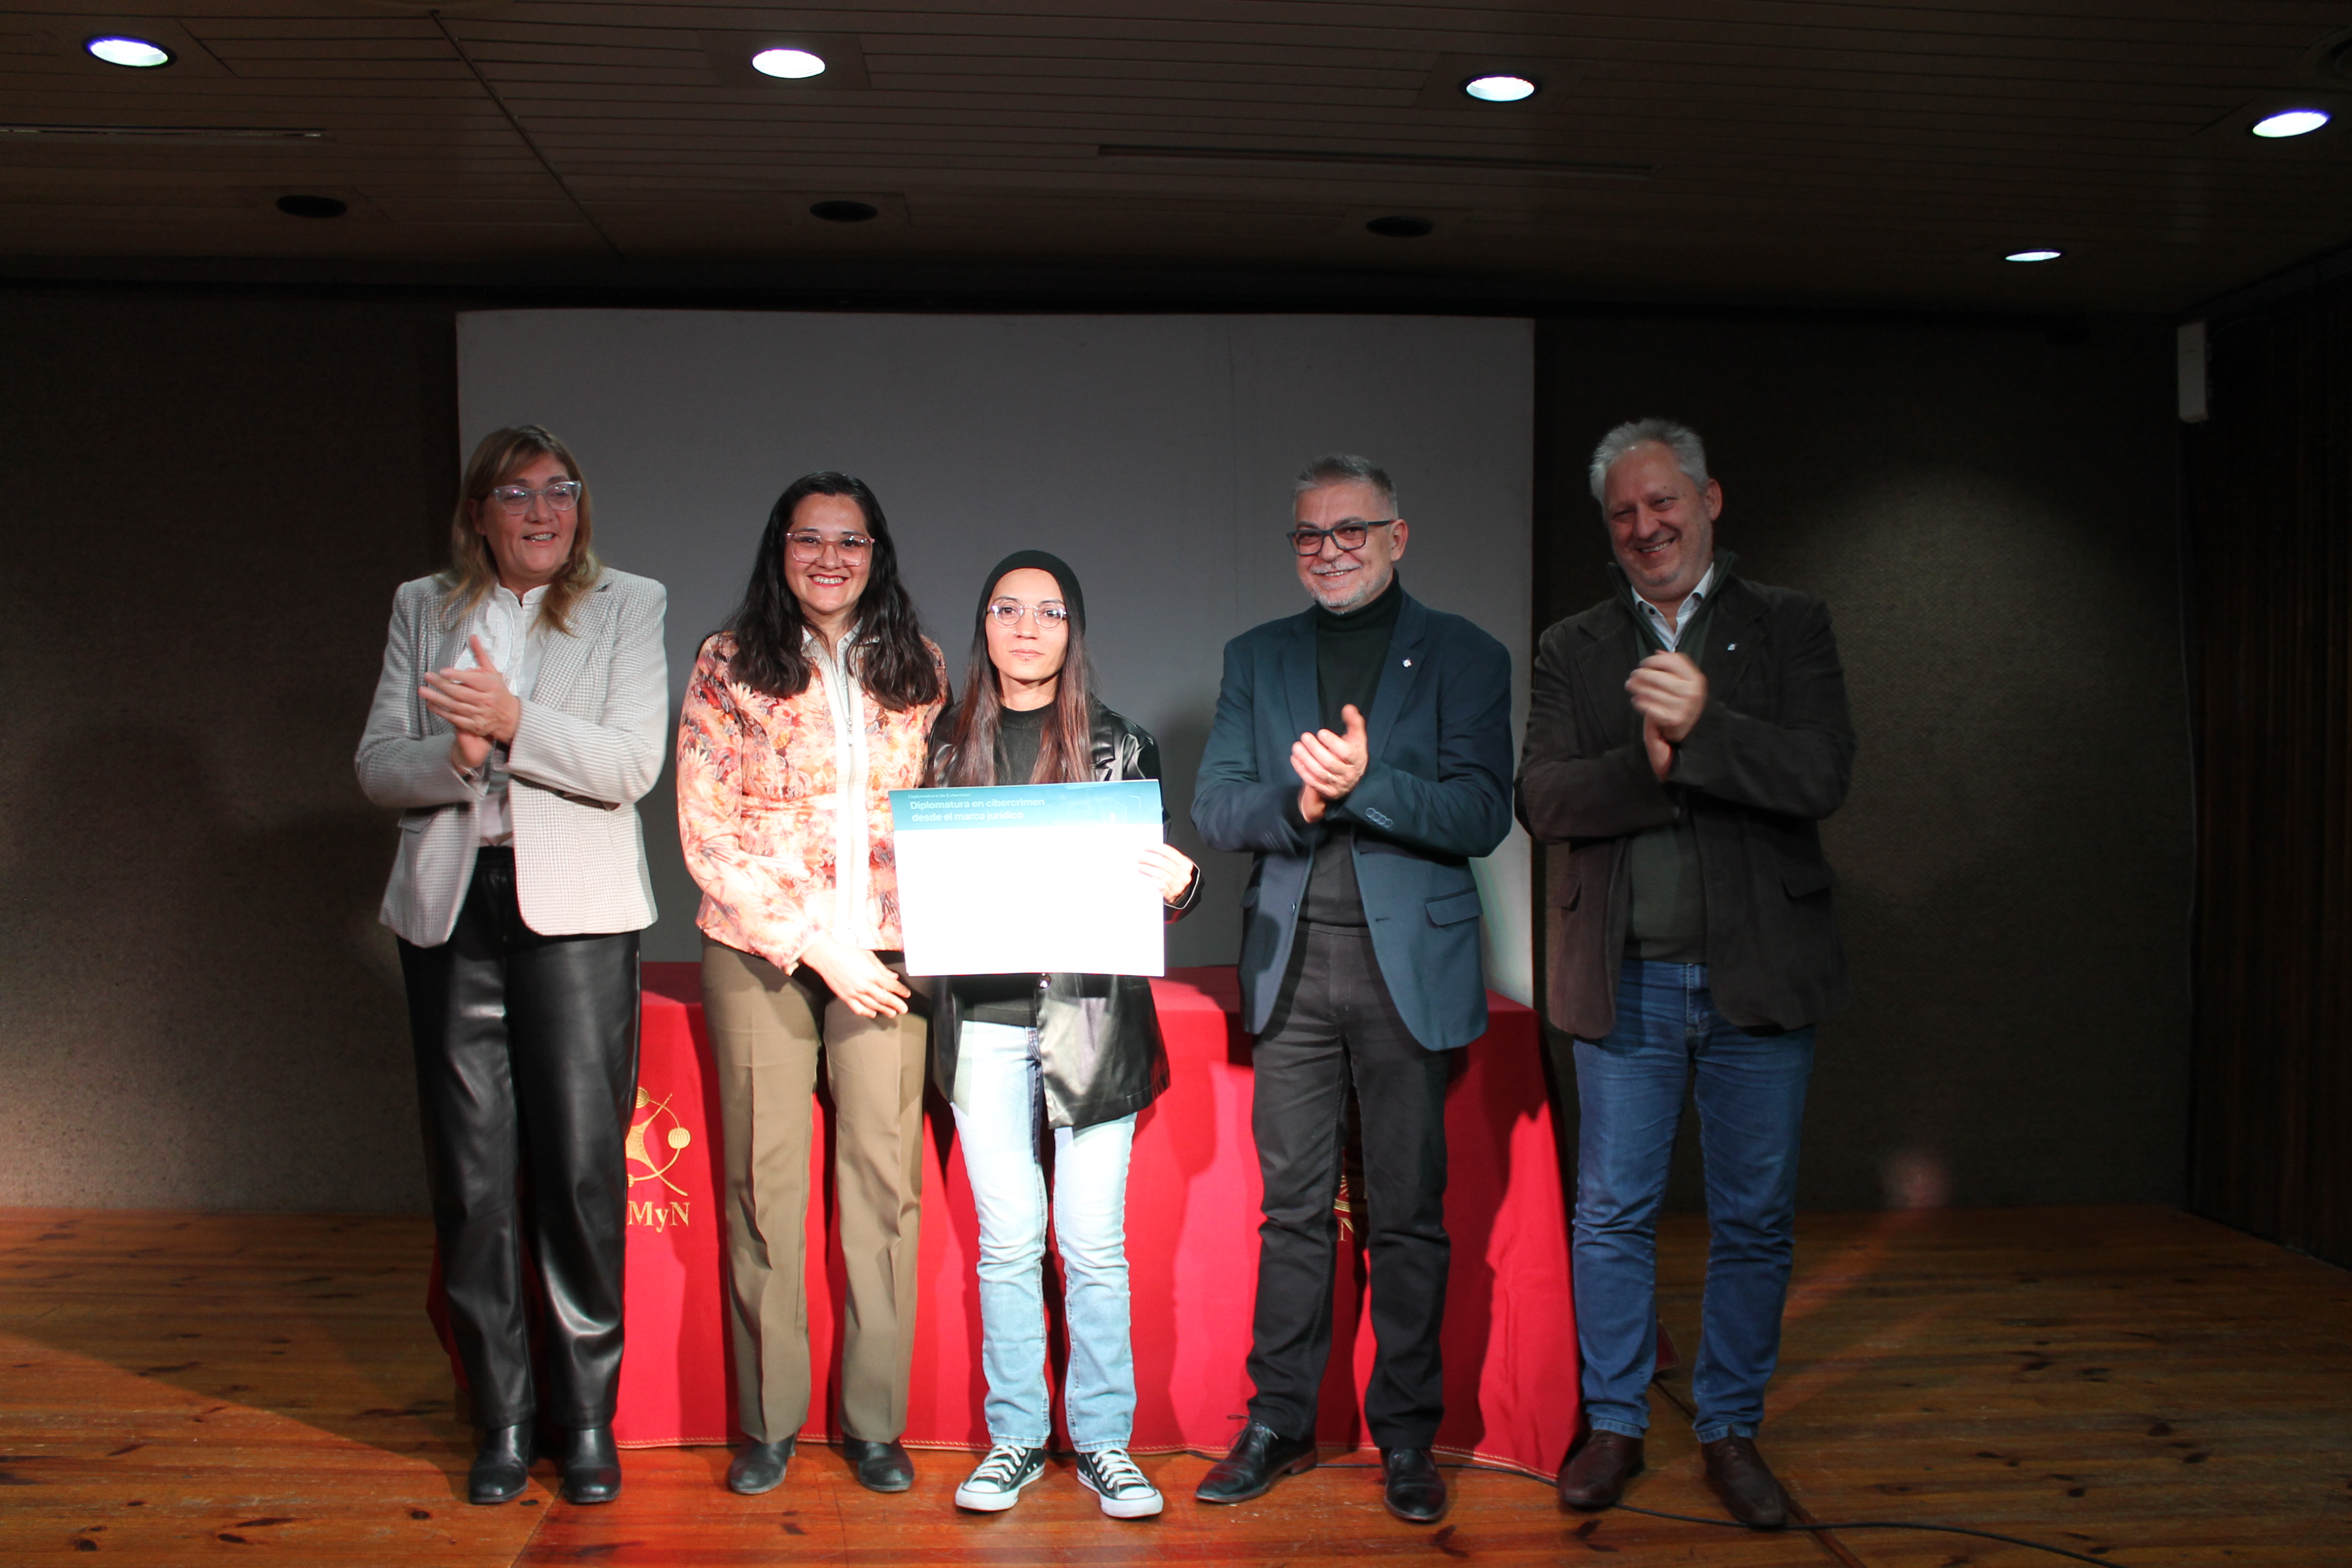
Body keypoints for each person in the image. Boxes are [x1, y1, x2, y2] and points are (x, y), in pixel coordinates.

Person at [1517, 418, 1854, 1529]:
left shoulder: (1790, 623)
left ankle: (1730, 1428)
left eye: (1663, 502)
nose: (1645, 526)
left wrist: (1706, 725)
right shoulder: (1573, 645)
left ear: (1709, 500)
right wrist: (1647, 763)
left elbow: (1821, 772)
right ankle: (1615, 1421)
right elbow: (1543, 798)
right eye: (1623, 512)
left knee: (1754, 1218)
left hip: (1762, 976)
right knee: (1612, 1214)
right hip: (1627, 979)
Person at [1191, 455, 1513, 1525]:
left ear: (1397, 536)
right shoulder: (1256, 655)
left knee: (1408, 1215)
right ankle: (1278, 1420)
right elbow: (1219, 808)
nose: (1329, 550)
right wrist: (1302, 799)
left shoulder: (1467, 654)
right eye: (1309, 534)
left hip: (1406, 970)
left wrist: (1365, 783)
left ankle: (1408, 1436)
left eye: (1351, 531)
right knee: (1292, 1213)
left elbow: (1481, 813)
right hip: (1291, 965)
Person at [357, 424, 668, 1507]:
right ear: (478, 513)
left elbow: (631, 764)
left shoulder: (628, 602)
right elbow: (377, 768)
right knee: (472, 1179)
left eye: (560, 491)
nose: (542, 511)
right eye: (517, 493)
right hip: (452, 910)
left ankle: (583, 1421)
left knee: (579, 1174)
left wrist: (514, 721)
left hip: (576, 918)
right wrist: (456, 754)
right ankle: (502, 1417)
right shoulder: (422, 606)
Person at [674, 473, 947, 1498]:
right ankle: (768, 1423)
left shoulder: (918, 665)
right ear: (779, 549)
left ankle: (875, 1422)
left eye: (851, 541)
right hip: (761, 952)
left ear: (877, 554)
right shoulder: (729, 662)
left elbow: (942, 807)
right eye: (809, 539)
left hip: (887, 955)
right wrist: (813, 945)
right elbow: (708, 832)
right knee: (765, 1185)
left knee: (883, 1185)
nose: (830, 558)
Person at [923, 551, 1202, 1521]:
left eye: (1048, 612)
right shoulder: (943, 742)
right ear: (985, 625)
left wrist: (1183, 885)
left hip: (1090, 1020)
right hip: (983, 1021)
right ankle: (1014, 1437)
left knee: (1092, 1246)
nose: (1028, 628)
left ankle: (1104, 1443)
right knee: (1007, 1244)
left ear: (1072, 629)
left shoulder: (1123, 745)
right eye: (1008, 609)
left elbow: (1150, 893)